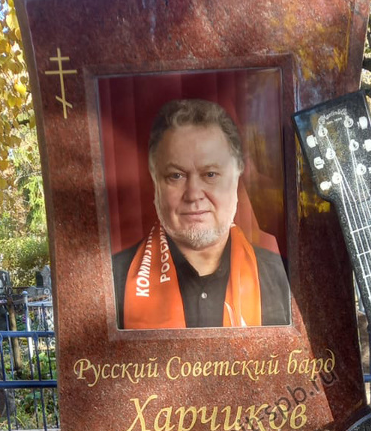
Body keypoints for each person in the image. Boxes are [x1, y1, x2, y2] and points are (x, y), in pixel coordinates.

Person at [112, 99, 290, 328]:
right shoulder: (112, 281)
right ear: (155, 180)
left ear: (237, 177)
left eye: (210, 174)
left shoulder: (285, 279)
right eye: (176, 175)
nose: (193, 194)